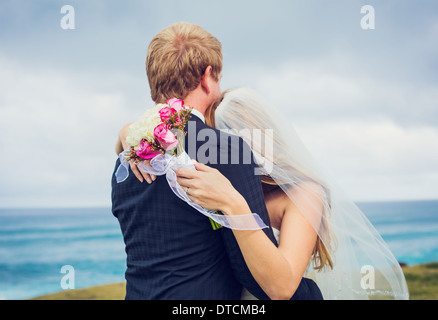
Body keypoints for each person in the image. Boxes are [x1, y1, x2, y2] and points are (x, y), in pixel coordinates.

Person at [125, 87, 410, 300]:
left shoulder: (304, 193)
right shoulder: (218, 182)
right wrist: (126, 134)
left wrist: (232, 203)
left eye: (227, 137)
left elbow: (283, 287)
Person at [112, 22, 322, 300]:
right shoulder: (225, 149)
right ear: (207, 77)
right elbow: (254, 276)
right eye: (219, 80)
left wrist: (126, 132)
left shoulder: (126, 163)